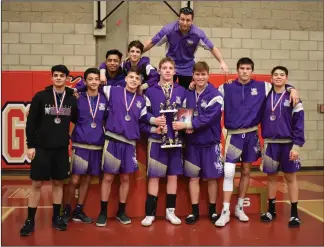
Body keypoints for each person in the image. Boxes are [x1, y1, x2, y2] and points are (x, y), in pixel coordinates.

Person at [212, 57, 300, 227]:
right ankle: (225, 211)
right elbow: (209, 92)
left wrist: (292, 89)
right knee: (229, 172)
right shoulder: (226, 87)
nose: (244, 71)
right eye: (242, 68)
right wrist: (193, 85)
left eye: (248, 69)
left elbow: (280, 85)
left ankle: (239, 207)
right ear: (237, 70)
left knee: (246, 171)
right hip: (234, 136)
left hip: (251, 135)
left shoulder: (262, 86)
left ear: (252, 71)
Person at [20, 65, 78, 236]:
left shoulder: (71, 99)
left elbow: (75, 118)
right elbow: (30, 123)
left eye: (62, 75)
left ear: (67, 78)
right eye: (55, 75)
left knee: (58, 183)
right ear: (52, 78)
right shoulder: (41, 96)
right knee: (36, 183)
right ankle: (30, 220)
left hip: (60, 148)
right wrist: (30, 146)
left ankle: (56, 217)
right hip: (42, 148)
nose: (58, 78)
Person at [172, 61, 224, 225]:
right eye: (197, 74)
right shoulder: (189, 93)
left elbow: (208, 118)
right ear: (193, 76)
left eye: (203, 74)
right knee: (193, 178)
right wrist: (185, 126)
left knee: (212, 178)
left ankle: (212, 211)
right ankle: (194, 211)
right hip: (192, 143)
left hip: (210, 143)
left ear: (208, 75)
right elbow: (184, 112)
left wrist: (189, 125)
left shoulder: (215, 95)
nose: (200, 77)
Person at [96, 68, 147, 227]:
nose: (133, 80)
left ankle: (121, 211)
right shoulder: (113, 90)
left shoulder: (141, 100)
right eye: (130, 77)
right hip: (112, 140)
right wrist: (102, 70)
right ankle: (103, 212)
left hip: (130, 143)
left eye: (136, 78)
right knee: (109, 177)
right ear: (125, 79)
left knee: (125, 178)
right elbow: (92, 84)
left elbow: (144, 122)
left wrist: (155, 127)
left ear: (139, 82)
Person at [140, 57, 186, 227]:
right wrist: (154, 122)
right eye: (164, 68)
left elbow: (187, 113)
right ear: (159, 71)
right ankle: (150, 213)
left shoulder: (182, 91)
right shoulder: (150, 91)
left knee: (173, 175)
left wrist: (182, 124)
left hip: (175, 139)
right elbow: (143, 115)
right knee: (154, 176)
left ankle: (170, 212)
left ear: (174, 72)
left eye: (170, 68)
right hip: (156, 139)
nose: (167, 71)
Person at [62, 68, 108, 224]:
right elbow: (72, 114)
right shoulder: (77, 97)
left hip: (97, 144)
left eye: (96, 79)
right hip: (80, 143)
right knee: (74, 179)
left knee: (87, 179)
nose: (94, 82)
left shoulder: (104, 99)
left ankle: (79, 210)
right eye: (90, 79)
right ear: (85, 81)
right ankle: (66, 209)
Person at [260, 66, 304, 228]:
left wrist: (296, 147)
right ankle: (271, 210)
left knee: (291, 178)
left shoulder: (294, 98)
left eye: (282, 75)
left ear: (286, 78)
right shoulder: (265, 95)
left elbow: (299, 123)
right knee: (271, 178)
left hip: (288, 145)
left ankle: (294, 213)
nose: (278, 77)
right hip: (271, 144)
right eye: (275, 75)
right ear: (271, 78)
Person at [143, 7, 228, 89]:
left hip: (187, 68)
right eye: (182, 19)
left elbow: (212, 48)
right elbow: (151, 42)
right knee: (167, 92)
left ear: (192, 21)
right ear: (178, 19)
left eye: (188, 20)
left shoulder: (198, 34)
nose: (184, 23)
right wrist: (138, 53)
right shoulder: (168, 30)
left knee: (184, 95)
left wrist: (222, 61)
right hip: (171, 67)